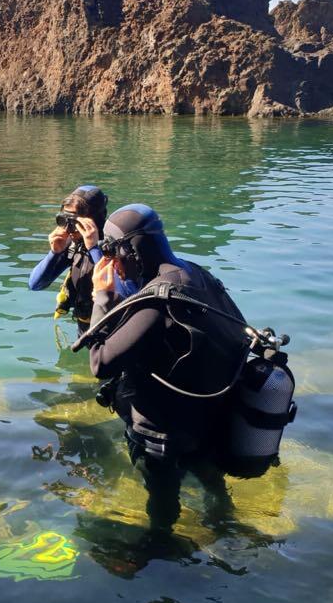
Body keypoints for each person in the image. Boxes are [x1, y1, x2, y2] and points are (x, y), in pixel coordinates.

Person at [82, 204, 250, 534]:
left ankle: (161, 551)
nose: (113, 265)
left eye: (114, 254)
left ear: (129, 250)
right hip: (207, 421)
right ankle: (223, 527)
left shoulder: (158, 299)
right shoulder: (198, 275)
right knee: (213, 485)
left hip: (161, 434)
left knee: (162, 501)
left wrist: (101, 295)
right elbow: (239, 332)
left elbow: (100, 363)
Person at [28, 185, 108, 332]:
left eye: (76, 222)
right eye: (65, 220)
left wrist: (94, 249)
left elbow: (115, 290)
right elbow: (35, 284)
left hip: (113, 329)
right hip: (84, 329)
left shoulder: (114, 246)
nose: (69, 229)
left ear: (94, 220)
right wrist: (55, 253)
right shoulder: (72, 245)